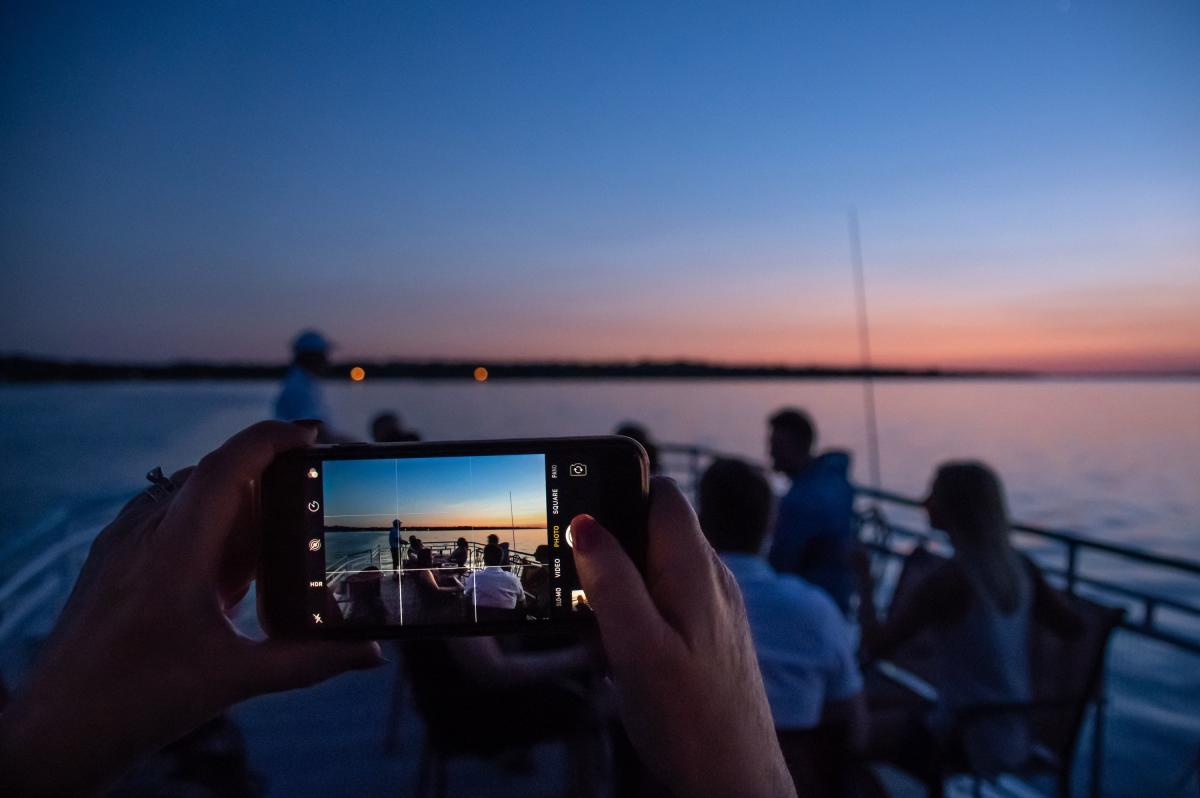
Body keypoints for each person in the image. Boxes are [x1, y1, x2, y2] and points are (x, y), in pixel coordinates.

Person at [0, 421, 794, 798]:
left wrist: (42, 742)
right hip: (476, 708)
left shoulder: (423, 580)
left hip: (454, 695)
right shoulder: (451, 581)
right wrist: (753, 779)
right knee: (588, 704)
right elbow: (489, 663)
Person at [857, 462, 1081, 785]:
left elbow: (876, 646)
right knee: (871, 703)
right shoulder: (1020, 567)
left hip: (962, 736)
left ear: (956, 508)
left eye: (933, 493)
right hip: (1014, 734)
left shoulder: (951, 580)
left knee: (845, 731)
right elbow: (1073, 629)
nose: (924, 502)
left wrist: (863, 579)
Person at [699, 458, 869, 794]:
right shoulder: (815, 609)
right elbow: (855, 728)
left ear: (700, 519)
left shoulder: (668, 602)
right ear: (771, 524)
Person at [766, 407, 857, 614]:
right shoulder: (834, 481)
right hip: (840, 601)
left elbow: (779, 567)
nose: (770, 454)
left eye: (777, 446)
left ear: (801, 445)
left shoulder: (800, 502)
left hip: (809, 607)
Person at [272, 331, 348, 443]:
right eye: (323, 355)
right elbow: (310, 432)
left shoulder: (307, 383)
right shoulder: (297, 388)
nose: (327, 360)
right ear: (310, 357)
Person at [462, 543, 525, 610]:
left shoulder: (474, 577)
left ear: (484, 559)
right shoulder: (514, 579)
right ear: (501, 559)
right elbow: (522, 602)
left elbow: (466, 597)